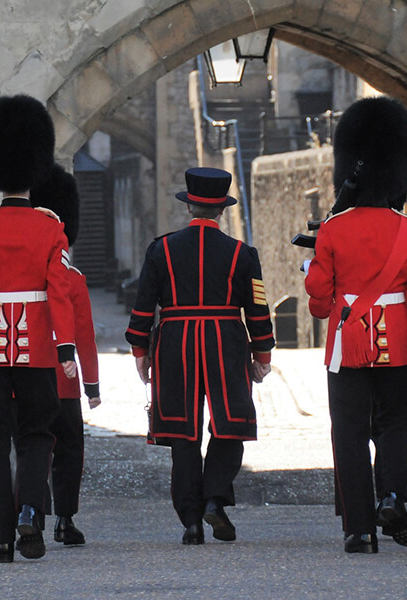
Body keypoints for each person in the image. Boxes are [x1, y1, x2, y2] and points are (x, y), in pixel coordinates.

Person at [303, 96, 407, 554]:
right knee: (398, 422)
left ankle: (359, 529)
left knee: (347, 431)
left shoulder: (332, 230)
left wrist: (312, 274)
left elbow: (320, 306)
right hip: (397, 344)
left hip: (347, 346)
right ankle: (392, 496)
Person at [0, 94, 78, 563]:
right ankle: (29, 511)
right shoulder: (50, 227)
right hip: (38, 351)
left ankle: (0, 540)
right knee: (37, 434)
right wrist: (66, 348)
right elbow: (59, 293)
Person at [126, 167, 275, 545]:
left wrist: (140, 351)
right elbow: (257, 308)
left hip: (176, 341)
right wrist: (263, 352)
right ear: (222, 210)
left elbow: (144, 306)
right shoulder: (243, 253)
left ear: (189, 205)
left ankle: (191, 520)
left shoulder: (161, 249)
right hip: (226, 340)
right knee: (230, 425)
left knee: (182, 434)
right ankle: (214, 498)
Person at [29, 163, 101, 546]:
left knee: (32, 447)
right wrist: (91, 384)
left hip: (25, 375)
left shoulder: (20, 278)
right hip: (65, 382)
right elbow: (83, 337)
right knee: (68, 451)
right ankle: (65, 520)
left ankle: (33, 513)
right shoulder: (73, 281)